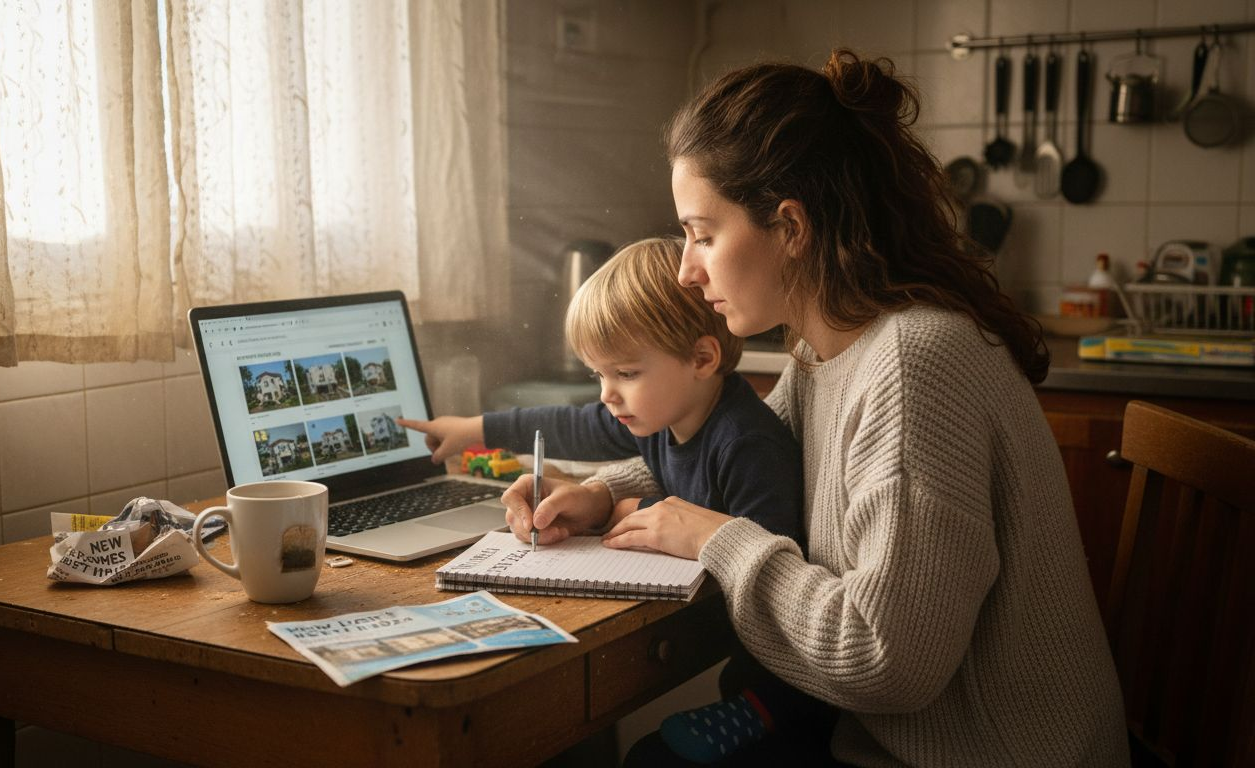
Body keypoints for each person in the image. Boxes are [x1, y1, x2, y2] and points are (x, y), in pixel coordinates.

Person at [498, 51, 1130, 766]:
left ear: (791, 228)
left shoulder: (913, 363)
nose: (685, 269)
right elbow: (747, 451)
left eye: (703, 234)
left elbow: (884, 658)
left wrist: (717, 540)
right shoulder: (825, 353)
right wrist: (597, 491)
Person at [399, 236, 802, 543]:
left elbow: (759, 557)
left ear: (700, 359)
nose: (607, 394)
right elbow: (568, 427)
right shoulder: (666, 414)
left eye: (625, 373)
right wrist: (472, 430)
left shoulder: (746, 446)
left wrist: (631, 509)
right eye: (599, 375)